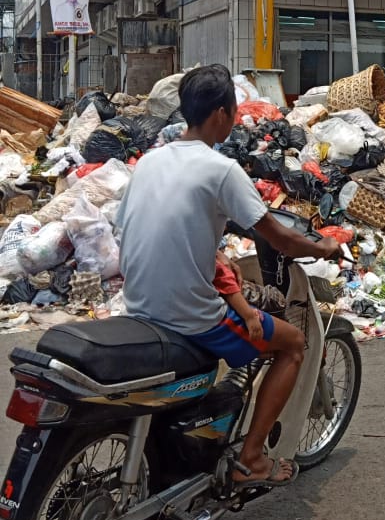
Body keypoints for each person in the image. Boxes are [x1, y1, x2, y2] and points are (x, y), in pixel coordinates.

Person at [116, 63, 342, 488]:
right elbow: (281, 239)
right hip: (190, 317)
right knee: (293, 344)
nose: (236, 117)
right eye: (234, 110)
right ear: (221, 113)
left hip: (139, 305)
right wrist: (324, 247)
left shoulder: (150, 161)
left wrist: (216, 255)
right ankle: (252, 458)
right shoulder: (221, 169)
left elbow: (135, 227)